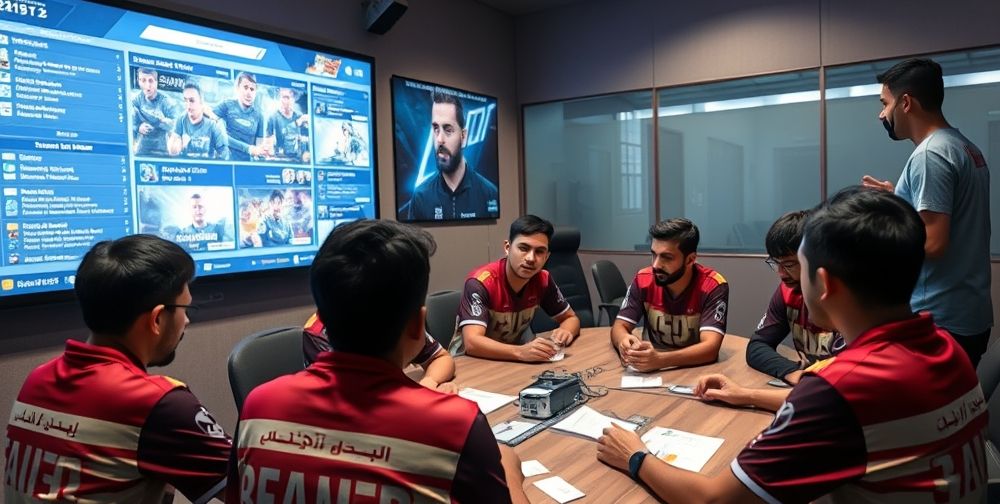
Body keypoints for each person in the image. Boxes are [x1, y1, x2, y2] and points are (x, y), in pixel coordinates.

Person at [597, 187, 988, 503]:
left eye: (795, 267)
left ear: (825, 282)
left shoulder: (838, 389)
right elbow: (861, 416)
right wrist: (746, 395)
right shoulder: (949, 349)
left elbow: (713, 499)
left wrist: (634, 455)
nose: (787, 279)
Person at [229, 219, 528, 503]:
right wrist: (509, 472)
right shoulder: (457, 425)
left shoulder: (258, 406)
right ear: (417, 324)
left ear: (322, 315)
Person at [4, 235, 230, 503]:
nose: (187, 320)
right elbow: (255, 487)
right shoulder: (158, 404)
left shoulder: (37, 379)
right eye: (185, 308)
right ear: (157, 319)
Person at [862, 58, 992, 366]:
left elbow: (932, 244)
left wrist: (870, 242)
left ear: (905, 103)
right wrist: (900, 200)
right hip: (969, 313)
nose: (882, 113)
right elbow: (955, 217)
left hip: (939, 318)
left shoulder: (930, 155)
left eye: (885, 103)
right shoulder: (962, 146)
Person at [450, 215, 581, 362]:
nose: (531, 258)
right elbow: (472, 343)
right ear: (507, 247)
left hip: (510, 363)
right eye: (523, 248)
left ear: (547, 256)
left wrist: (565, 331)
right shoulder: (480, 283)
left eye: (539, 251)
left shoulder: (542, 280)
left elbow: (571, 318)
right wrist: (520, 352)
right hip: (469, 364)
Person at [611, 218, 729, 371]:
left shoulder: (713, 286)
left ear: (690, 259)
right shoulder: (643, 279)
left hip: (693, 370)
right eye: (653, 254)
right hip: (649, 371)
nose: (655, 265)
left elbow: (710, 349)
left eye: (666, 257)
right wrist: (623, 340)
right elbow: (619, 326)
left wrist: (660, 360)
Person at [746, 210, 842, 384]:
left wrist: (744, 395)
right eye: (776, 263)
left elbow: (842, 379)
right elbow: (758, 346)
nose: (781, 274)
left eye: (789, 264)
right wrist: (791, 371)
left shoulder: (845, 301)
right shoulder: (787, 291)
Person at [302, 312, 458, 393]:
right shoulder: (318, 333)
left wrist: (428, 383)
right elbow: (356, 398)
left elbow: (441, 358)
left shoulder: (398, 313)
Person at [406, 91, 499, 221]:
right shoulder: (420, 196)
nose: (439, 139)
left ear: (464, 137)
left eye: (448, 130)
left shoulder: (489, 193)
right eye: (436, 128)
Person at [210, 72, 271, 161]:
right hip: (227, 162)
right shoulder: (226, 105)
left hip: (247, 165)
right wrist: (248, 148)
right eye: (245, 87)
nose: (249, 92)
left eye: (252, 89)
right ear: (237, 88)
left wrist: (265, 152)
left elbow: (258, 150)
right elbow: (217, 135)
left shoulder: (259, 116)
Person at [171, 82, 229, 160]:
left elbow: (225, 155)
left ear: (201, 101)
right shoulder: (181, 120)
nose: (188, 105)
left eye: (192, 101)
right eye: (185, 100)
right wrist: (178, 146)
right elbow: (172, 151)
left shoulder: (213, 125)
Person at [131, 67, 179, 156]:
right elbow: (129, 122)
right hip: (142, 149)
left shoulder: (166, 102)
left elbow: (177, 126)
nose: (147, 85)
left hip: (161, 150)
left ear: (156, 82)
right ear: (138, 81)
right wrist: (138, 127)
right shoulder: (136, 99)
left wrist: (162, 121)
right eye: (143, 80)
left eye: (151, 81)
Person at [268, 87, 310, 162]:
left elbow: (307, 140)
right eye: (285, 97)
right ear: (279, 98)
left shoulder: (299, 115)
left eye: (292, 97)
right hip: (281, 160)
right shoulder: (273, 117)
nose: (288, 100)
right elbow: (269, 144)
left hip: (299, 161)